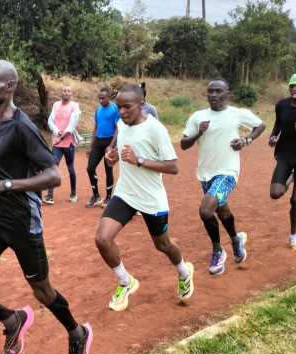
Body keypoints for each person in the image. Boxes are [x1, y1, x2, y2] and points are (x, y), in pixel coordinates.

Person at [0, 60, 93, 354]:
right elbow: (4, 167)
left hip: (23, 223)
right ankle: (12, 318)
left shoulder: (23, 127)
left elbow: (53, 176)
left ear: (9, 87)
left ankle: (77, 333)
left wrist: (3, 185)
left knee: (42, 291)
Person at [96, 84, 194, 311]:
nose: (121, 112)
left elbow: (173, 166)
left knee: (163, 244)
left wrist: (138, 160)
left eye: (127, 107)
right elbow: (123, 153)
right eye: (118, 107)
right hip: (125, 194)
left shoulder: (155, 129)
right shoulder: (120, 125)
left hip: (151, 199)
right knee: (102, 239)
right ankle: (125, 281)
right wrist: (114, 158)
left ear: (141, 105)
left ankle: (183, 272)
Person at [181, 77, 265, 275]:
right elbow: (184, 144)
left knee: (205, 210)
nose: (213, 95)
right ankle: (236, 240)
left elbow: (260, 125)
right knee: (222, 212)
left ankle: (218, 251)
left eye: (219, 91)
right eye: (210, 91)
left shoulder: (238, 114)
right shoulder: (198, 116)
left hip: (228, 172)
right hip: (205, 174)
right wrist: (198, 134)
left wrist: (246, 140)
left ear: (227, 94)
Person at [268, 73, 296, 251]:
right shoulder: (282, 105)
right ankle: (290, 177)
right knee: (275, 193)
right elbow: (278, 124)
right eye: (292, 85)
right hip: (285, 153)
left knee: (295, 199)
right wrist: (273, 135)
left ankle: (293, 236)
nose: (294, 88)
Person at [43, 85, 81, 204]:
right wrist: (56, 131)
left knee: (70, 168)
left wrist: (62, 136)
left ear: (71, 93)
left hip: (68, 143)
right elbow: (50, 121)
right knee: (53, 166)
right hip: (57, 143)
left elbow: (71, 125)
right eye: (64, 90)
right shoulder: (56, 105)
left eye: (68, 91)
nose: (66, 93)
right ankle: (50, 195)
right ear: (61, 92)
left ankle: (73, 193)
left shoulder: (74, 106)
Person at [85, 87, 120, 208]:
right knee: (90, 168)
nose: (100, 100)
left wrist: (111, 146)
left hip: (110, 141)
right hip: (98, 142)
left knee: (108, 170)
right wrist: (90, 146)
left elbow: (117, 129)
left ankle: (109, 197)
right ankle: (96, 196)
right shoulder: (98, 110)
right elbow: (95, 128)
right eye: (99, 98)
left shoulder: (114, 108)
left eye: (103, 98)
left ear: (109, 97)